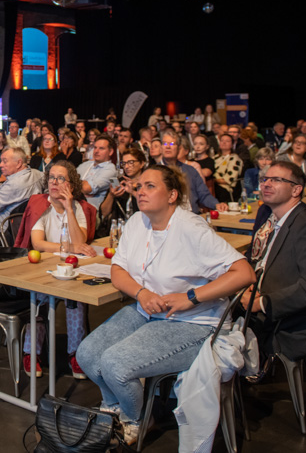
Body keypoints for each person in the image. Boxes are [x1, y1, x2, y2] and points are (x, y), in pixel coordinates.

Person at [75, 165, 256, 446]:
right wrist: (142, 293)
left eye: (150, 186)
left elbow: (244, 273)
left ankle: (135, 421)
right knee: (87, 354)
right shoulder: (137, 221)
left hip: (192, 322)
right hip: (148, 310)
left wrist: (191, 296)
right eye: (139, 186)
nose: (140, 191)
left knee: (114, 363)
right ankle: (115, 408)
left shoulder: (191, 228)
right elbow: (117, 270)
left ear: (172, 195)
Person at [242, 161, 306, 364]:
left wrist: (261, 303)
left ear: (296, 190)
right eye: (265, 179)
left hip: (284, 318)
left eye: (276, 180)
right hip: (257, 292)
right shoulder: (269, 216)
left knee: (211, 324)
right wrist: (247, 282)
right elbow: (255, 258)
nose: (266, 184)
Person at [22, 161, 97, 379]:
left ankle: (75, 354)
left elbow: (80, 239)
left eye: (61, 178)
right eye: (52, 177)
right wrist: (71, 247)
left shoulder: (78, 208)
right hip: (43, 268)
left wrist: (69, 207)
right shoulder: (39, 205)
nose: (54, 182)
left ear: (71, 183)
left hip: (70, 267)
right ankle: (31, 352)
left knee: (77, 302)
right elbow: (38, 244)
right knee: (38, 302)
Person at [160, 130, 228, 215]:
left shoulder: (190, 170)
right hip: (166, 219)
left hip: (192, 216)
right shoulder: (154, 172)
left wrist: (217, 204)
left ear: (178, 148)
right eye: (165, 143)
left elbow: (204, 194)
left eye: (172, 144)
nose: (168, 147)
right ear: (161, 147)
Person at [0, 148, 45, 233]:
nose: (0, 165)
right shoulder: (38, 174)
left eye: (5, 161)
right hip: (25, 229)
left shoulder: (13, 185)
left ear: (19, 163)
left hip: (0, 229)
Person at [100, 147, 146, 227]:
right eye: (124, 163)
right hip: (119, 226)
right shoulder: (118, 182)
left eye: (131, 162)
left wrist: (133, 192)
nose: (127, 167)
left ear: (142, 163)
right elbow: (104, 213)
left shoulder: (147, 183)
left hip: (142, 225)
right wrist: (111, 195)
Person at [77, 134, 117, 211]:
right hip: (74, 206)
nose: (96, 151)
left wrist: (76, 186)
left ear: (110, 151)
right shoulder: (86, 164)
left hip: (90, 211)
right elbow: (67, 181)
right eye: (95, 147)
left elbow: (86, 188)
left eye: (101, 148)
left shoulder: (110, 170)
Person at [213, 134, 243, 203]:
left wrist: (213, 181)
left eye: (227, 141)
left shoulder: (234, 158)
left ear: (232, 144)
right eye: (222, 140)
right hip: (213, 186)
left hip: (226, 188)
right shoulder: (214, 158)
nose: (224, 142)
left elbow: (228, 180)